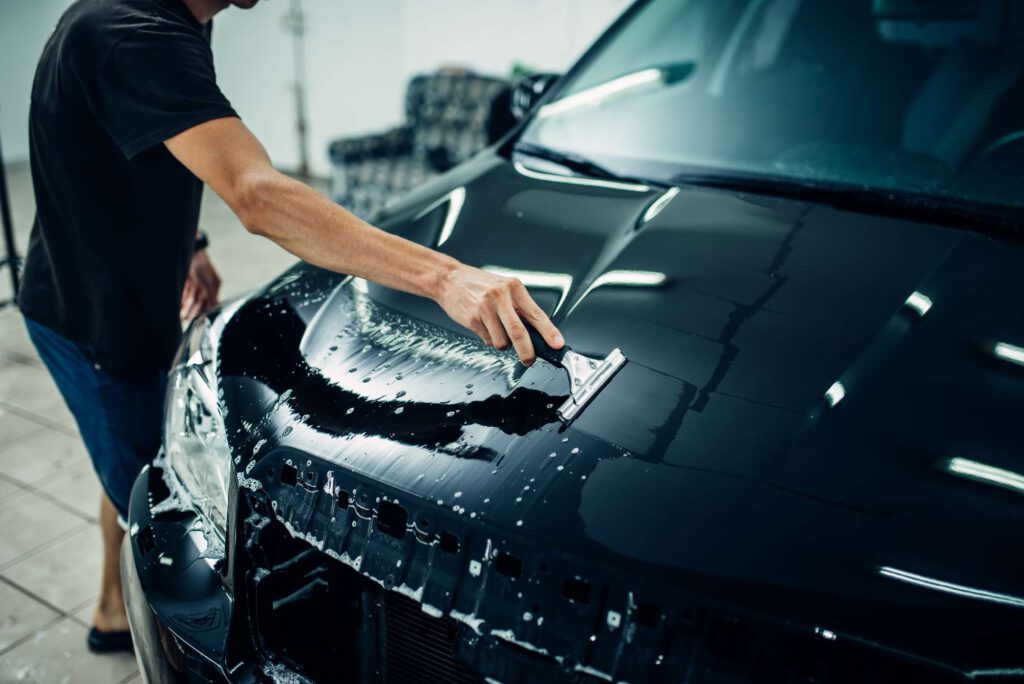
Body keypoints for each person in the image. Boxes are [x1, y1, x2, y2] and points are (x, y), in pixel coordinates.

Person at [18, 0, 563, 653]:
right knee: (163, 495)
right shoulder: (129, 30)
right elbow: (256, 193)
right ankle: (136, 621)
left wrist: (188, 243)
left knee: (135, 461)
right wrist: (446, 277)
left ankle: (108, 606)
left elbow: (146, 137)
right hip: (94, 323)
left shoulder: (180, 17)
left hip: (133, 292)